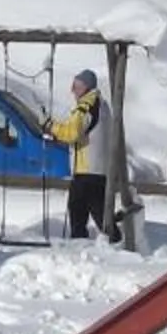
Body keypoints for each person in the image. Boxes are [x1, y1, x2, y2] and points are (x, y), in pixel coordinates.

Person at [49, 66, 124, 242]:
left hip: (87, 170)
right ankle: (114, 240)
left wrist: (50, 127)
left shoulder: (86, 105)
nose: (72, 90)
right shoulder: (100, 104)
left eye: (76, 86)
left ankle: (95, 244)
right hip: (96, 169)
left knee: (78, 211)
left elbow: (72, 132)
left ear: (85, 87)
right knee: (94, 211)